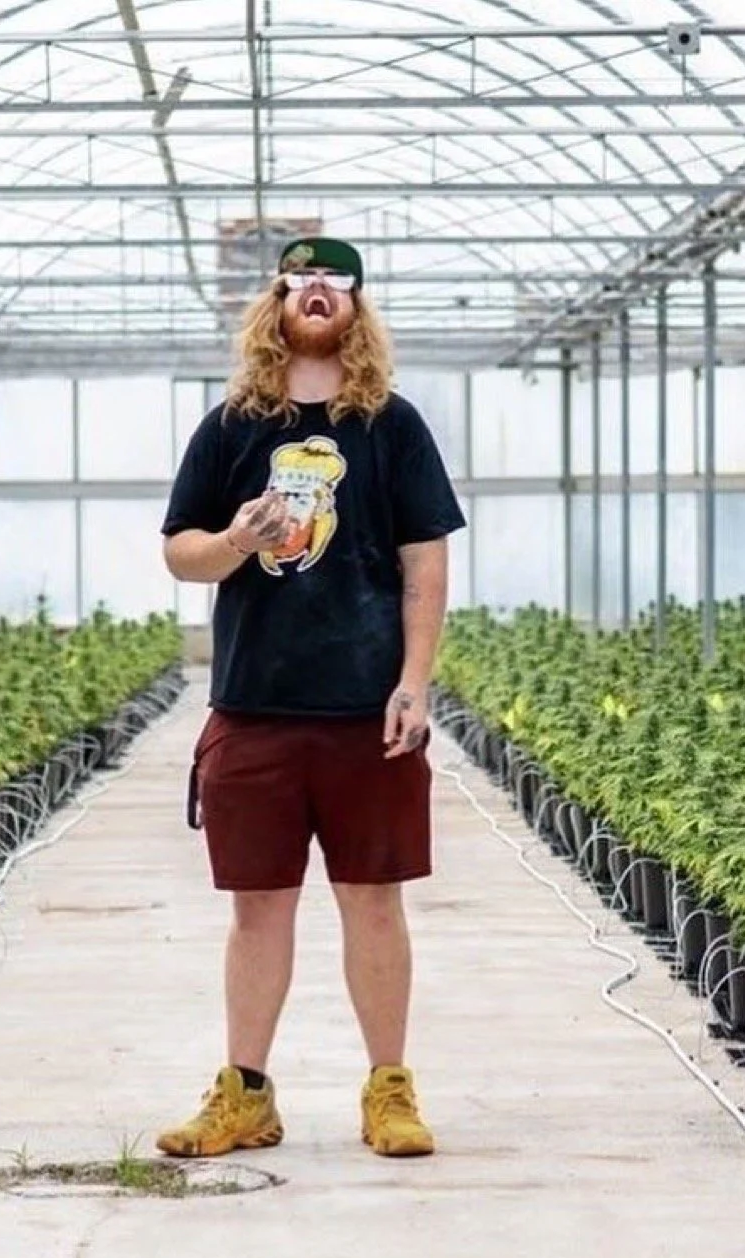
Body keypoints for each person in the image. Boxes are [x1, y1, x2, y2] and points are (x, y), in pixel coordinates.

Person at [157, 235, 466, 1160]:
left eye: (337, 282)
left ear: (359, 307)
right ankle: (245, 1093)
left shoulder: (393, 426)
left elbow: (427, 561)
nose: (318, 293)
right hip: (253, 705)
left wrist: (414, 682)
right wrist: (239, 541)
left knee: (374, 900)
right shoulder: (228, 428)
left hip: (368, 714)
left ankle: (390, 1090)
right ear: (276, 304)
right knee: (259, 906)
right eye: (302, 281)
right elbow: (180, 552)